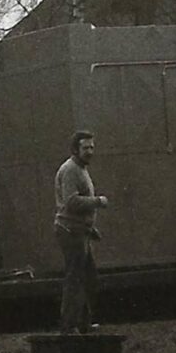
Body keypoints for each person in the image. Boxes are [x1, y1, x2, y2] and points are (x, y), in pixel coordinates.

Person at [53, 130, 109, 334]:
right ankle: (69, 326)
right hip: (70, 231)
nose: (90, 151)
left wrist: (90, 228)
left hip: (80, 231)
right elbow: (71, 202)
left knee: (88, 277)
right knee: (75, 277)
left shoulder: (81, 169)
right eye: (86, 148)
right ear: (75, 149)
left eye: (92, 147)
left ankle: (83, 323)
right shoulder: (71, 170)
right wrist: (98, 201)